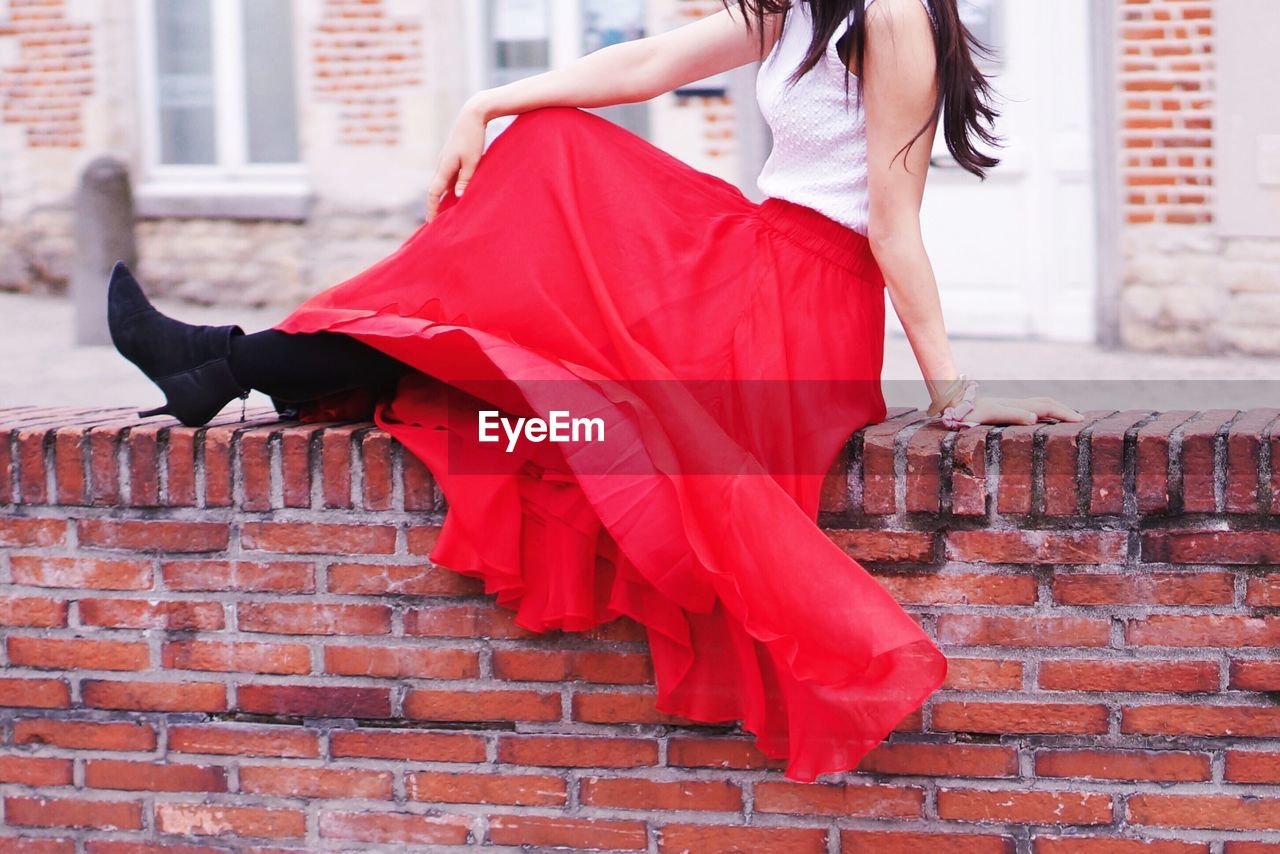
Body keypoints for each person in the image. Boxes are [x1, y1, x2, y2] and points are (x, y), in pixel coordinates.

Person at [106, 0, 1082, 783]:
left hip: (795, 304)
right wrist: (486, 100)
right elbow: (645, 63)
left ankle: (220, 365)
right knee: (529, 205)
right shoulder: (797, 10)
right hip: (745, 260)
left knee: (544, 202)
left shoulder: (894, 15)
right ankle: (224, 365)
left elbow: (890, 222)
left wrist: (953, 399)